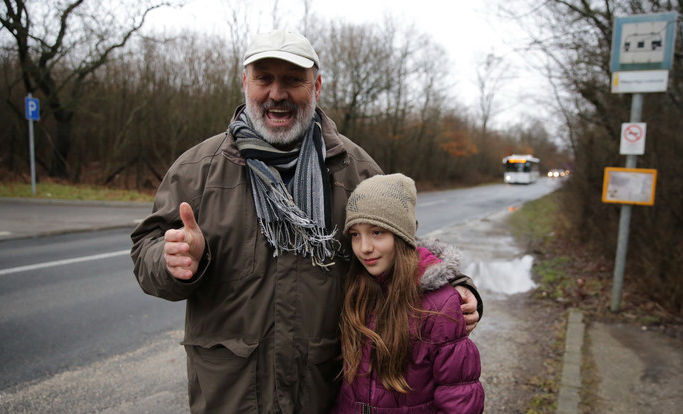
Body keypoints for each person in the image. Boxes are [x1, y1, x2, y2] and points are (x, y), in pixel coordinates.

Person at [130, 29, 483, 414]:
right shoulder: (198, 169)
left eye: (293, 80)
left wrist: (457, 291)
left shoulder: (355, 170)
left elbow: (403, 252)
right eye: (264, 78)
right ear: (245, 83)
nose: (277, 94)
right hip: (230, 394)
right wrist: (172, 261)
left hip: (325, 392)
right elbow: (146, 249)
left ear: (316, 86)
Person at [331, 173, 485, 413]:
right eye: (355, 234)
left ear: (401, 235)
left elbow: (459, 395)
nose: (364, 248)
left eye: (377, 232)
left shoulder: (439, 305)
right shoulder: (355, 289)